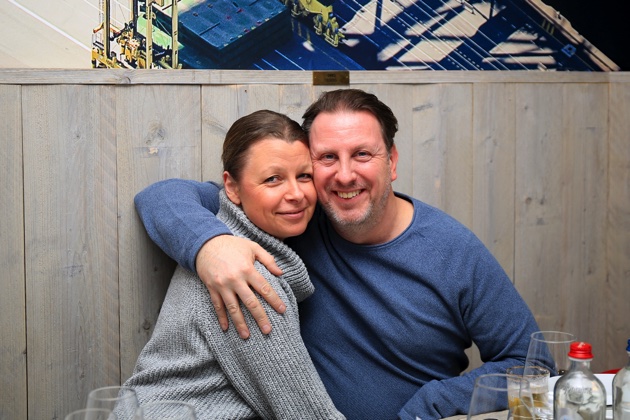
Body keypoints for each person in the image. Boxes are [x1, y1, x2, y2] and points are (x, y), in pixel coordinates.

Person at [134, 89, 542, 420]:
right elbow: (162, 196)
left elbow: (531, 363)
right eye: (327, 158)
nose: (345, 175)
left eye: (362, 154)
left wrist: (432, 403)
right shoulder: (293, 218)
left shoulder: (453, 251)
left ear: (391, 161)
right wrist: (209, 245)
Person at [124, 110, 344, 419]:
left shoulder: (245, 232)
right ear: (232, 187)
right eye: (273, 179)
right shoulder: (248, 278)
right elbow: (307, 414)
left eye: (304, 176)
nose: (296, 194)